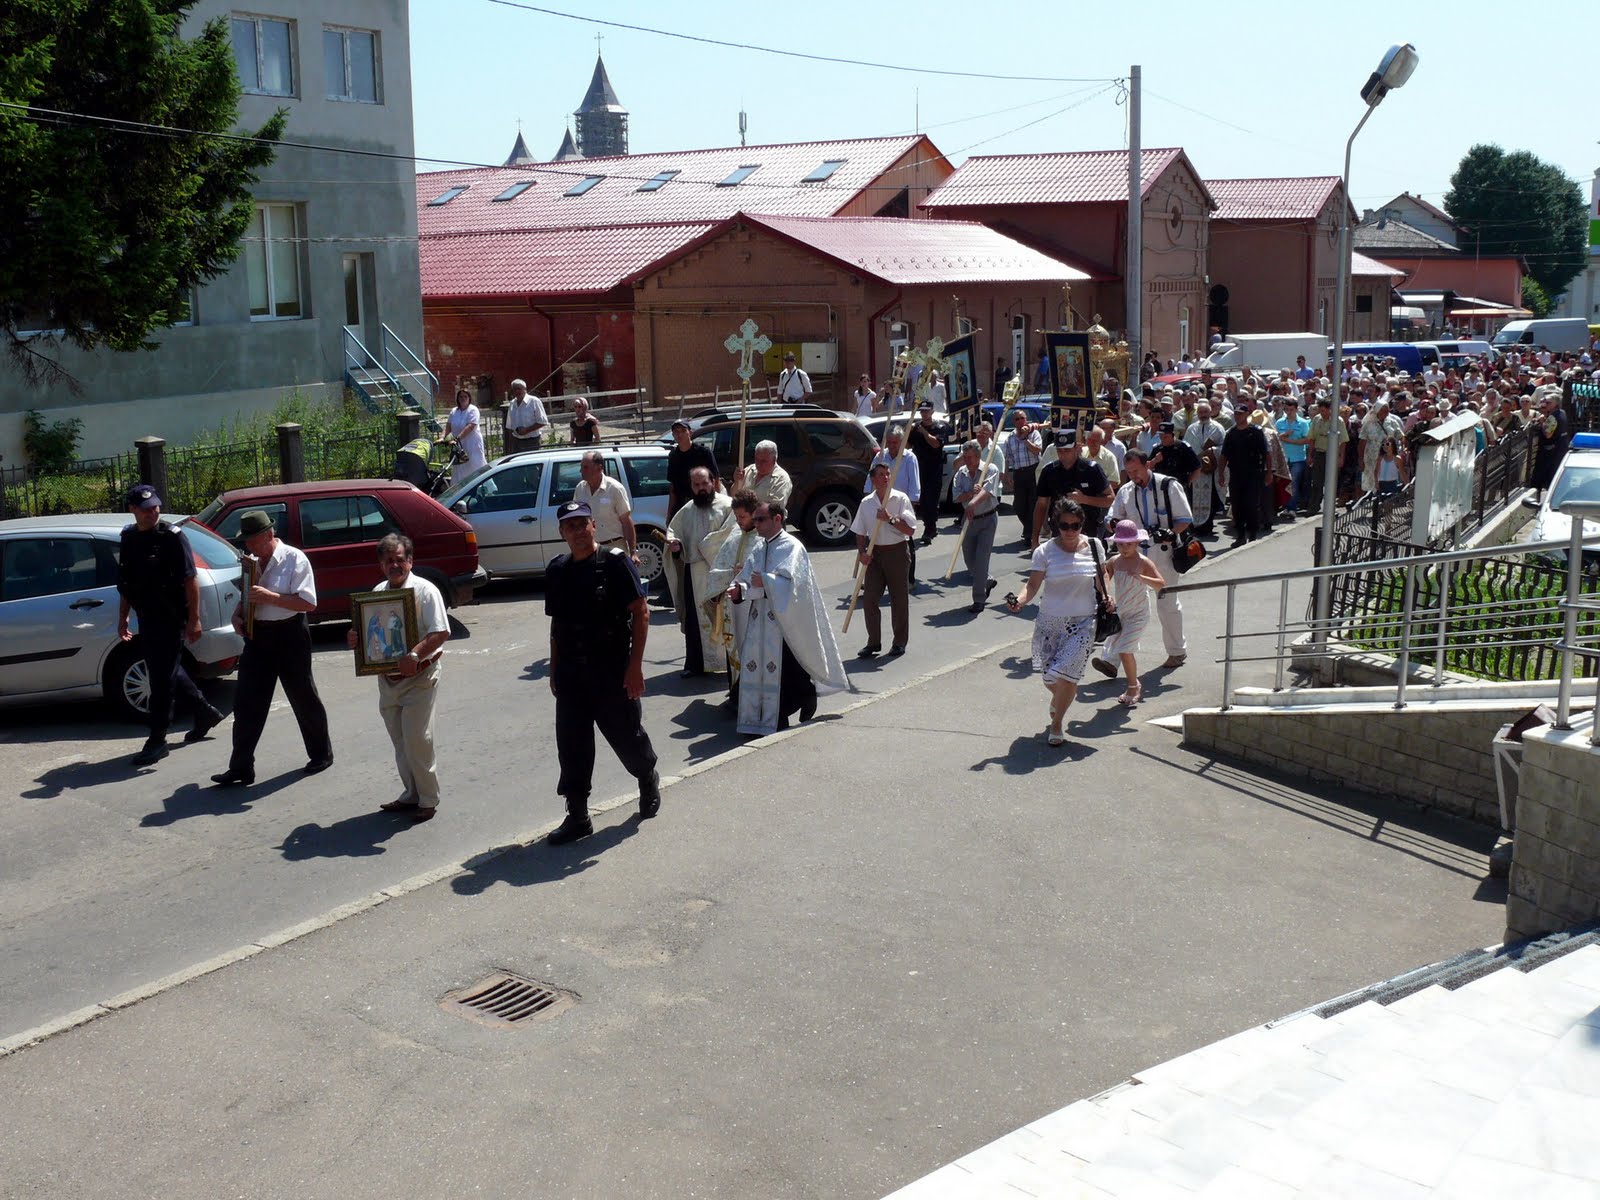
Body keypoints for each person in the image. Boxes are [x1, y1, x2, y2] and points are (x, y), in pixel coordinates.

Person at [544, 501, 659, 844]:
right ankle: (578, 815)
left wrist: (635, 666)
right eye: (570, 526)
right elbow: (557, 623)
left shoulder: (614, 562)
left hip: (610, 670)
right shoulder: (557, 569)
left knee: (627, 736)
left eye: (583, 524)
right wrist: (554, 669)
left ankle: (646, 777)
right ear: (562, 532)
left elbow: (641, 613)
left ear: (594, 525)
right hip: (571, 674)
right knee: (572, 745)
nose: (578, 531)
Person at [211, 510, 333, 787]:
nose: (249, 548)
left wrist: (272, 597)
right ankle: (241, 766)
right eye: (246, 543)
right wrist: (237, 615)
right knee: (247, 702)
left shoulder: (294, 559)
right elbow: (246, 596)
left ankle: (321, 753)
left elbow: (308, 603)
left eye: (253, 541)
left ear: (269, 535)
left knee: (302, 695)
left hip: (290, 634)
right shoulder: (252, 562)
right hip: (258, 636)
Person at [116, 484, 225, 766]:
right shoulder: (128, 538)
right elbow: (126, 583)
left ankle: (157, 739)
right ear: (132, 510)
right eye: (146, 509)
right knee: (166, 669)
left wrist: (194, 619)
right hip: (147, 617)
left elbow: (190, 579)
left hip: (171, 617)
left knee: (160, 679)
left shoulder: (172, 538)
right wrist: (123, 616)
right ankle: (204, 711)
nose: (153, 512)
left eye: (155, 507)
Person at [346, 533, 450, 822]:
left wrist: (415, 655)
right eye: (389, 560)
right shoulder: (378, 591)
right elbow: (371, 634)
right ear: (381, 564)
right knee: (401, 742)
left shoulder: (426, 591)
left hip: (420, 677)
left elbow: (441, 632)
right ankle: (411, 795)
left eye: (400, 560)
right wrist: (357, 638)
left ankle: (428, 799)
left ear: (410, 561)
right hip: (388, 681)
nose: (395, 565)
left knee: (418, 739)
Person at [726, 500, 848, 735]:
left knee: (786, 670)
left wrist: (768, 582)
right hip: (759, 619)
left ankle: (783, 714)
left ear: (777, 519)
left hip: (784, 621)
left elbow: (796, 586)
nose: (756, 524)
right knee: (758, 667)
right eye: (755, 520)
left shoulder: (792, 547)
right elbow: (747, 577)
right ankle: (758, 718)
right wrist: (739, 589)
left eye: (761, 519)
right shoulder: (760, 548)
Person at [1006, 498, 1104, 746]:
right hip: (1050, 623)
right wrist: (1019, 600)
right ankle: (1064, 694)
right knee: (1051, 679)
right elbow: (1032, 585)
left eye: (1076, 525)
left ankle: (1057, 723)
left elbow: (1101, 579)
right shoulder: (1045, 552)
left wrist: (1107, 597)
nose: (1070, 530)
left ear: (1082, 524)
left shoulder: (1095, 546)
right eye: (1064, 525)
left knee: (1066, 676)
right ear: (1056, 525)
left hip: (1083, 622)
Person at [1103, 449, 1192, 670]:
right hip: (1133, 554)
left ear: (1147, 465)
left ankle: (1177, 652)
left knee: (1167, 603)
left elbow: (1185, 519)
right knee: (1125, 607)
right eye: (1129, 471)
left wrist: (1171, 533)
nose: (1133, 475)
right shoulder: (1125, 491)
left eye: (1136, 470)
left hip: (1163, 554)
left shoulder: (1168, 485)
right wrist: (1114, 525)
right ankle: (1110, 659)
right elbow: (1111, 518)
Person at [665, 467, 734, 677]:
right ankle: (695, 665)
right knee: (695, 621)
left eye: (704, 483)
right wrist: (676, 547)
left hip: (721, 571)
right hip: (694, 573)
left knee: (725, 617)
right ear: (691, 486)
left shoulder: (728, 506)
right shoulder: (686, 510)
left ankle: (731, 664)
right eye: (696, 485)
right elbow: (673, 533)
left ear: (713, 482)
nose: (701, 488)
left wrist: (707, 547)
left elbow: (732, 535)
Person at [1098, 520, 1167, 707]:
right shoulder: (1114, 561)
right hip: (1122, 612)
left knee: (1125, 649)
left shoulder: (1143, 561)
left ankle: (1133, 686)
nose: (1124, 547)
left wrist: (1141, 577)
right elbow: (1104, 575)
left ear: (1137, 543)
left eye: (1128, 544)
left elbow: (1161, 584)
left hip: (1139, 613)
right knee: (1119, 646)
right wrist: (1107, 593)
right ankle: (1123, 676)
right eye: (1120, 543)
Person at [851, 461, 917, 658]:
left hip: (896, 552)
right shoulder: (866, 503)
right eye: (881, 474)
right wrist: (862, 552)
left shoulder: (900, 498)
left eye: (888, 473)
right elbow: (860, 532)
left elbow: (910, 530)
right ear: (873, 479)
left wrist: (890, 519)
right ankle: (873, 642)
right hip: (875, 554)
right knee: (870, 599)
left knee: (899, 599)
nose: (886, 477)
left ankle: (899, 642)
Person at [704, 490, 763, 706]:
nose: (738, 522)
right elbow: (719, 566)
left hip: (752, 606)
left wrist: (746, 571)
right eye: (736, 517)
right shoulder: (735, 535)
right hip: (731, 604)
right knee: (732, 647)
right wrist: (730, 574)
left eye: (742, 517)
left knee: (751, 649)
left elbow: (765, 569)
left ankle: (750, 695)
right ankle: (735, 691)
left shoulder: (763, 537)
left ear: (753, 513)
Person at [1031, 429, 1112, 549]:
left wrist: (1084, 499)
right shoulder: (1049, 471)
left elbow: (1110, 499)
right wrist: (1035, 537)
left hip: (1088, 531)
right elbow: (1042, 504)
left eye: (1067, 450)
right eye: (1059, 450)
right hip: (1060, 531)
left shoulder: (1091, 469)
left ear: (1077, 448)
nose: (1063, 454)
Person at [950, 439, 1002, 612]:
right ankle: (986, 581)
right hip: (969, 520)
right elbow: (956, 497)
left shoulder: (990, 469)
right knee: (969, 559)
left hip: (987, 518)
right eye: (965, 457)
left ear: (979, 456)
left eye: (971, 457)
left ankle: (978, 599)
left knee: (981, 560)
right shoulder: (961, 473)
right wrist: (970, 494)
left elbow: (987, 492)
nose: (967, 461)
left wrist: (973, 502)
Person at [1219, 398, 1270, 546]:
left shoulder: (1256, 432)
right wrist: (1221, 473)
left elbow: (1266, 453)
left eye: (1240, 414)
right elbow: (1224, 455)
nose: (1237, 416)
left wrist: (1268, 473)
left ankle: (1252, 534)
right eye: (1236, 414)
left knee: (1251, 505)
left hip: (1253, 474)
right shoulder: (1231, 433)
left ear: (1247, 414)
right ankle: (1240, 536)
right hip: (1236, 474)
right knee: (1237, 505)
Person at [572, 449, 638, 561]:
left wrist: (633, 552)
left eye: (585, 467)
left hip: (614, 547)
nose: (581, 470)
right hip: (590, 549)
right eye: (581, 467)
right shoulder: (580, 488)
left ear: (599, 468)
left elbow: (626, 522)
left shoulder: (615, 488)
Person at [1183, 401, 1225, 536]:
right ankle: (1194, 526)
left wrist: (1212, 450)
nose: (1203, 415)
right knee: (1193, 498)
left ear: (1210, 412)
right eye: (1200, 412)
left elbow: (1223, 448)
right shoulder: (1191, 429)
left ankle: (1207, 526)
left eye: (1205, 412)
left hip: (1210, 469)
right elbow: (1186, 447)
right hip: (1196, 469)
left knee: (1210, 498)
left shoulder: (1217, 428)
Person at [1001, 410, 1044, 544]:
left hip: (1033, 470)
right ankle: (1029, 528)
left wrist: (1025, 439)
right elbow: (1007, 458)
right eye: (1016, 419)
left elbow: (1037, 450)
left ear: (1026, 419)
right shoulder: (1010, 437)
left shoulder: (1034, 433)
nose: (1019, 421)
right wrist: (1007, 474)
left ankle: (1029, 534)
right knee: (1019, 505)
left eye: (1022, 418)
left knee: (1032, 503)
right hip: (1019, 472)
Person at [907, 401, 945, 545]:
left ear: (932, 412)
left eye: (926, 411)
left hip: (933, 469)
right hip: (918, 468)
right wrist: (908, 431)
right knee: (921, 500)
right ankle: (928, 526)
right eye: (922, 411)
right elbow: (908, 445)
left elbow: (936, 444)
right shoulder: (916, 428)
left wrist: (923, 432)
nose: (924, 414)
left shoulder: (939, 427)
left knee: (931, 500)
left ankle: (930, 528)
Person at [665, 418, 719, 517]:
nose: (679, 435)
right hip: (681, 506)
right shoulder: (673, 455)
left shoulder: (703, 452)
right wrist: (669, 514)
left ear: (690, 432)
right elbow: (673, 487)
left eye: (683, 431)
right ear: (673, 435)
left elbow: (715, 480)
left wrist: (717, 505)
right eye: (676, 432)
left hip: (702, 503)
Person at [1531, 387, 1571, 502]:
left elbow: (1548, 434)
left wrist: (1543, 423)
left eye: (1548, 403)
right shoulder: (1562, 413)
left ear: (1556, 404)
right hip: (1560, 448)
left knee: (1547, 476)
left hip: (1551, 452)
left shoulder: (1553, 417)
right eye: (1545, 402)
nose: (1545, 404)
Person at [441, 387, 486, 486]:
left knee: (475, 466)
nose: (463, 398)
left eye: (465, 396)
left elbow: (470, 426)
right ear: (457, 398)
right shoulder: (454, 411)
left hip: (472, 445)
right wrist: (442, 437)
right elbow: (448, 426)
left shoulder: (473, 410)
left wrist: (457, 438)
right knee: (460, 468)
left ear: (469, 398)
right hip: (459, 446)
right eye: (461, 396)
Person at [738, 440, 793, 511]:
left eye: (764, 461)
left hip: (765, 520)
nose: (759, 464)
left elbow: (775, 509)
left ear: (774, 460)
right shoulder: (749, 470)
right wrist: (737, 481)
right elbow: (734, 495)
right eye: (757, 459)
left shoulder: (782, 479)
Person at [505, 379, 548, 453]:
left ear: (525, 389)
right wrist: (510, 447)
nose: (517, 391)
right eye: (514, 389)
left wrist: (527, 430)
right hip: (516, 442)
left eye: (519, 389)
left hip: (531, 441)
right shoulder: (512, 404)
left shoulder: (534, 401)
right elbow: (510, 426)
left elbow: (543, 421)